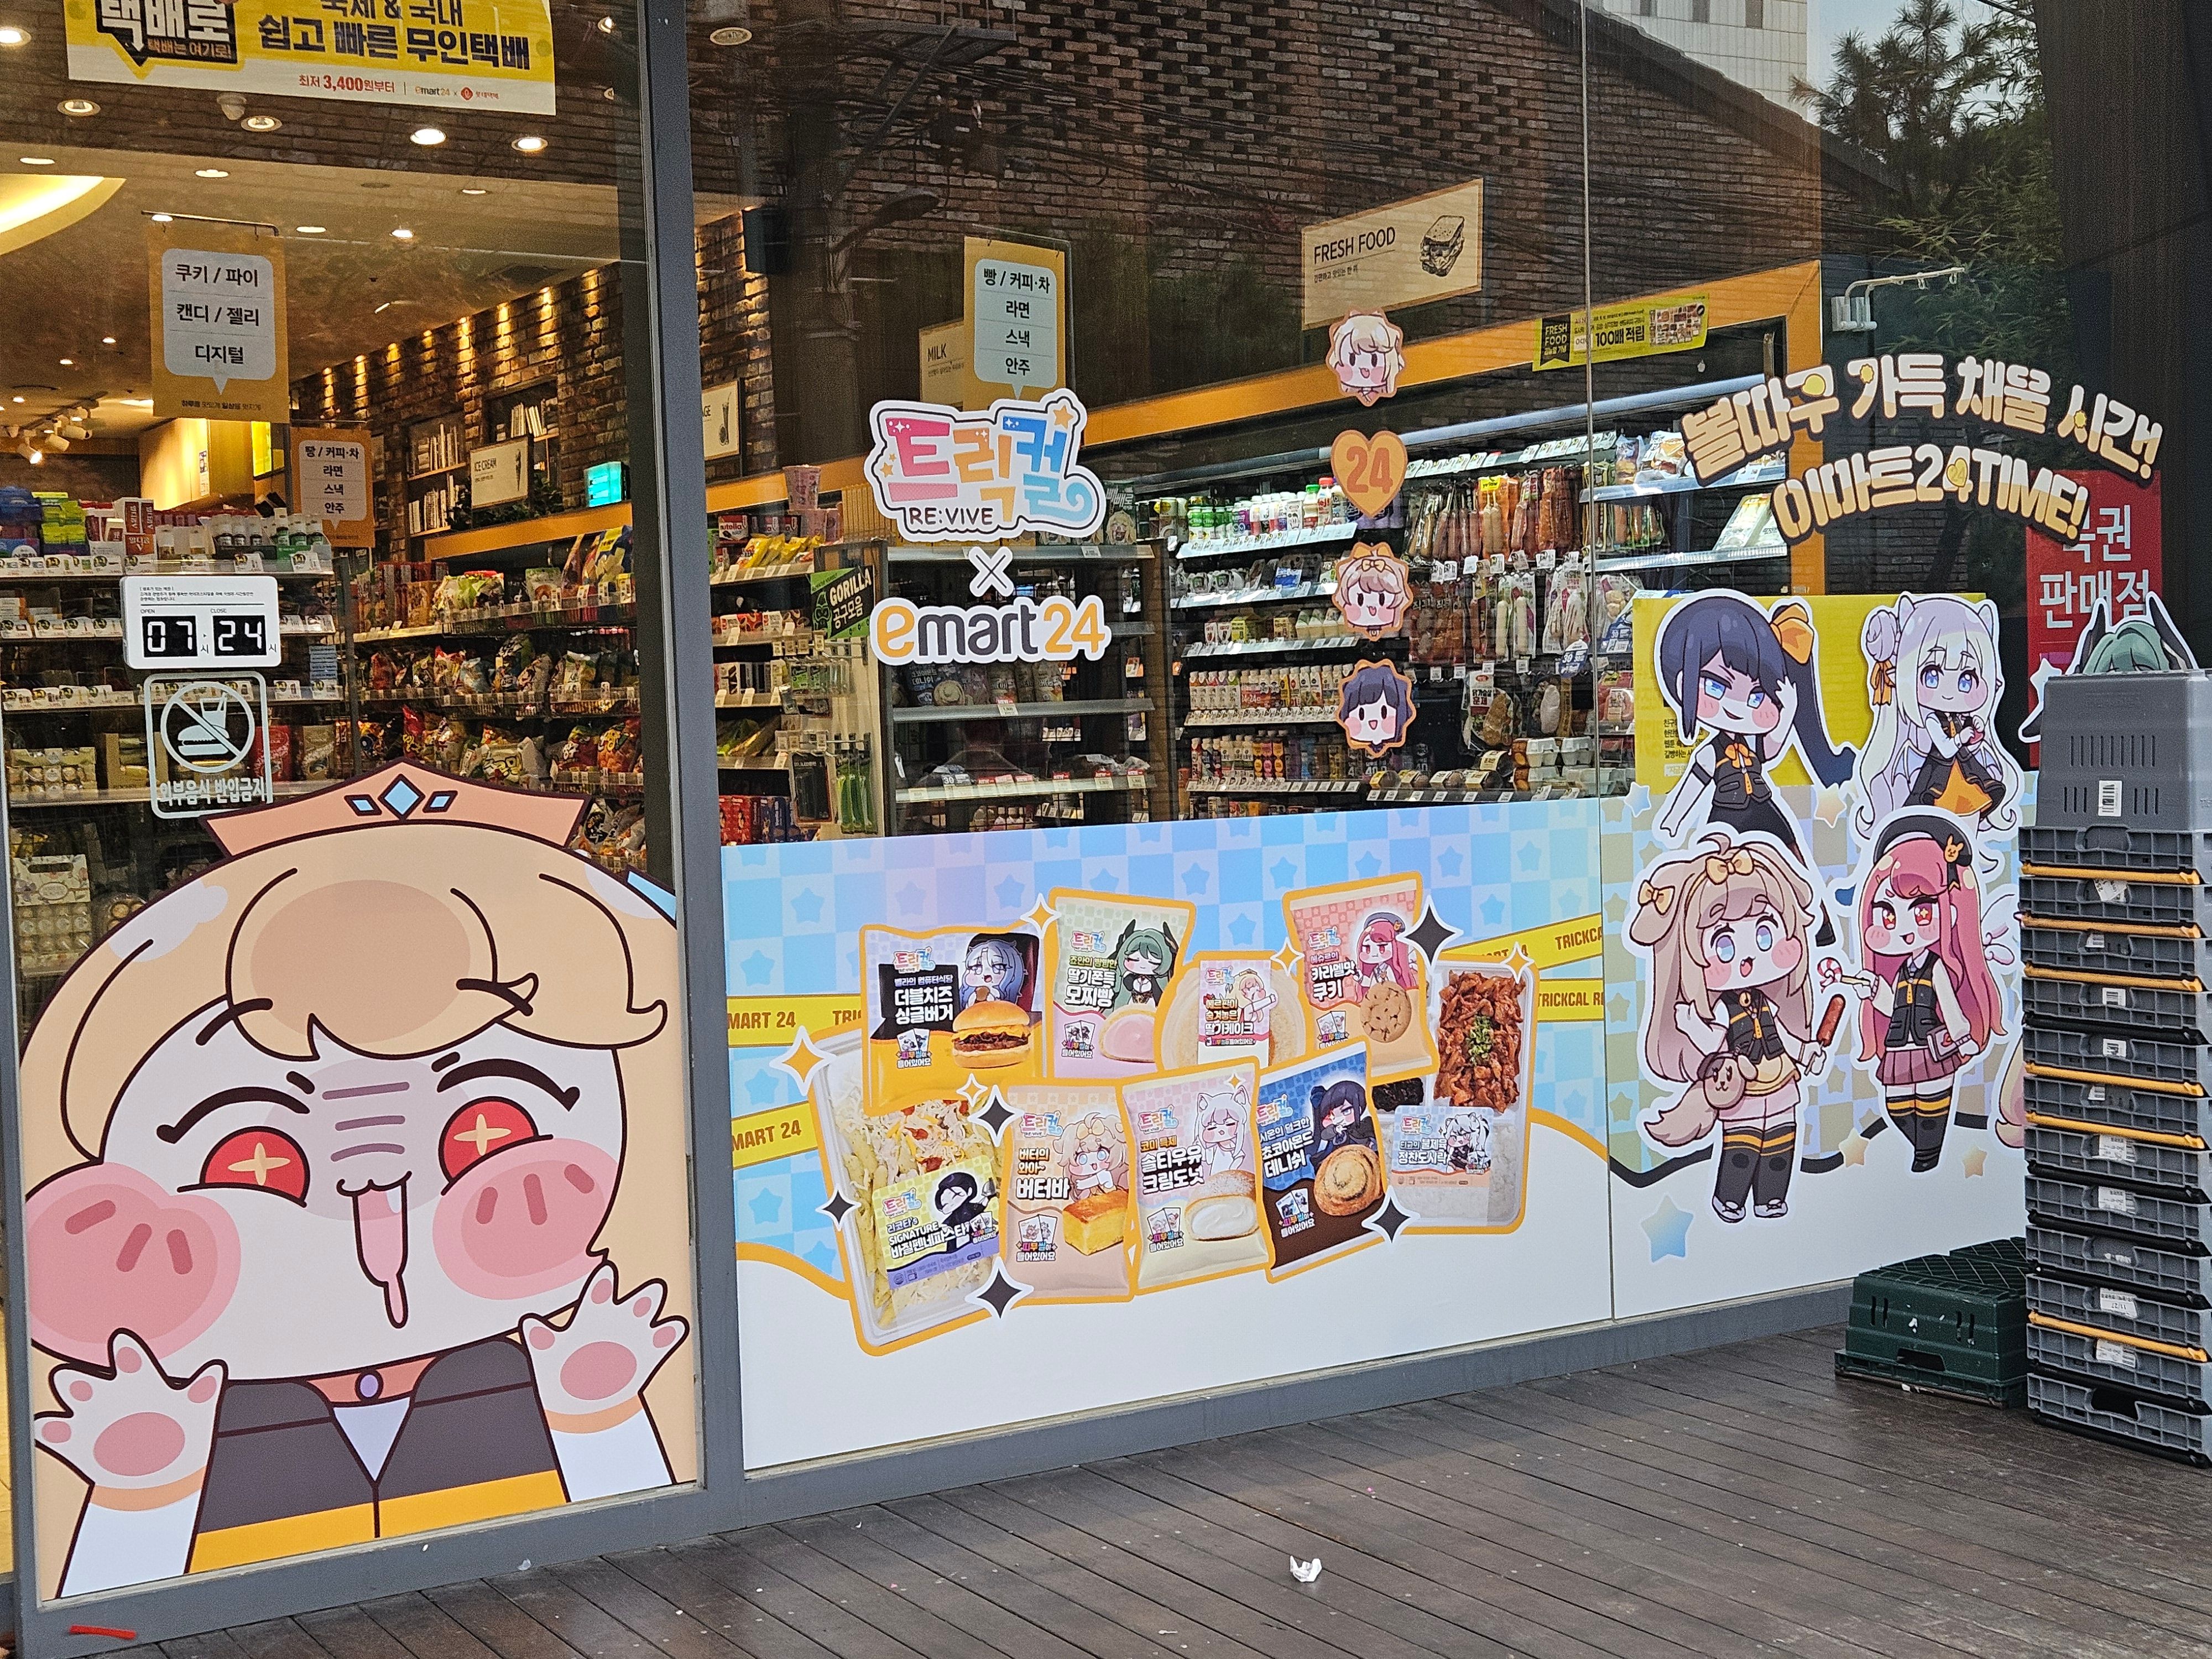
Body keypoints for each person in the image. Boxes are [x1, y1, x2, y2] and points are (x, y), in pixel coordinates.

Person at [20, 764, 693, 1597]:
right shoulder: (210, 1408)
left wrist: (601, 1411)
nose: (380, 1213)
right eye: (256, 1157)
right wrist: (142, 1493)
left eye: (483, 1133)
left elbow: (638, 1512)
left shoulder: (523, 1368)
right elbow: (114, 1602)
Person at [1627, 833, 1828, 1223]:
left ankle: (1772, 1197)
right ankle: (1730, 1198)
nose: (1749, 956)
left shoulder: (1767, 1002)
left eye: (1765, 933)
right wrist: (1690, 1024)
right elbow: (1713, 1039)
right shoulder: (1723, 1008)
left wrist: (1805, 1052)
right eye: (1724, 944)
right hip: (1743, 1088)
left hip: (1781, 1080)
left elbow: (1783, 1036)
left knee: (1780, 1145)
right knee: (1742, 1150)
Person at [1652, 592, 1856, 859]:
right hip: (1727, 815)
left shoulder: (1752, 744)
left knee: (1790, 853)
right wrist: (1673, 819)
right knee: (1720, 860)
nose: (1737, 707)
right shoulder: (1710, 754)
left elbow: (1772, 746)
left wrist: (1789, 711)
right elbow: (1693, 787)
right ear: (1682, 683)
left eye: (1756, 696)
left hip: (1763, 807)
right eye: (1715, 686)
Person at [1853, 813, 2004, 1172]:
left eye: (1921, 912)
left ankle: (1927, 1155)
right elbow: (1892, 1005)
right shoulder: (1899, 970)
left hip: (1933, 1045)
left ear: (1950, 911)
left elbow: (1949, 1006)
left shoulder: (1937, 966)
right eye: (1888, 916)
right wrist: (1874, 990)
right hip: (1900, 1046)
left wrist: (1963, 1038)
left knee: (1932, 1103)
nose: (1904, 929)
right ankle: (1924, 1149)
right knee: (1897, 1106)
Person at [1856, 593, 2020, 842]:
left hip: (1965, 776)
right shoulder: (1932, 720)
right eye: (1932, 675)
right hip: (1940, 780)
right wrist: (1962, 737)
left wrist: (1975, 730)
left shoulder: (1958, 718)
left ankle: (1965, 862)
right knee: (1937, 832)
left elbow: (1969, 744)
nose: (1949, 692)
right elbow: (1945, 748)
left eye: (1966, 679)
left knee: (1967, 829)